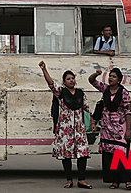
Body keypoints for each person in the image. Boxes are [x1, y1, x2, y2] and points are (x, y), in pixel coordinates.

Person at [38, 61, 92, 190]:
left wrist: (92, 122)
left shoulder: (80, 93)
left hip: (79, 129)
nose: (71, 80)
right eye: (68, 79)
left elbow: (86, 109)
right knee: (66, 155)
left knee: (82, 154)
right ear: (64, 82)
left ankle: (82, 180)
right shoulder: (60, 93)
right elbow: (51, 84)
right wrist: (44, 69)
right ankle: (69, 180)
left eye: (73, 78)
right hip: (65, 130)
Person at [88, 68, 131, 190]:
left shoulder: (124, 93)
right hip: (107, 129)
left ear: (119, 80)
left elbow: (128, 112)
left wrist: (128, 130)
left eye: (113, 76)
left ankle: (127, 180)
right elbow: (91, 80)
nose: (110, 78)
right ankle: (115, 181)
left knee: (121, 155)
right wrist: (97, 74)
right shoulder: (105, 89)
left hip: (119, 128)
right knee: (109, 156)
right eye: (110, 76)